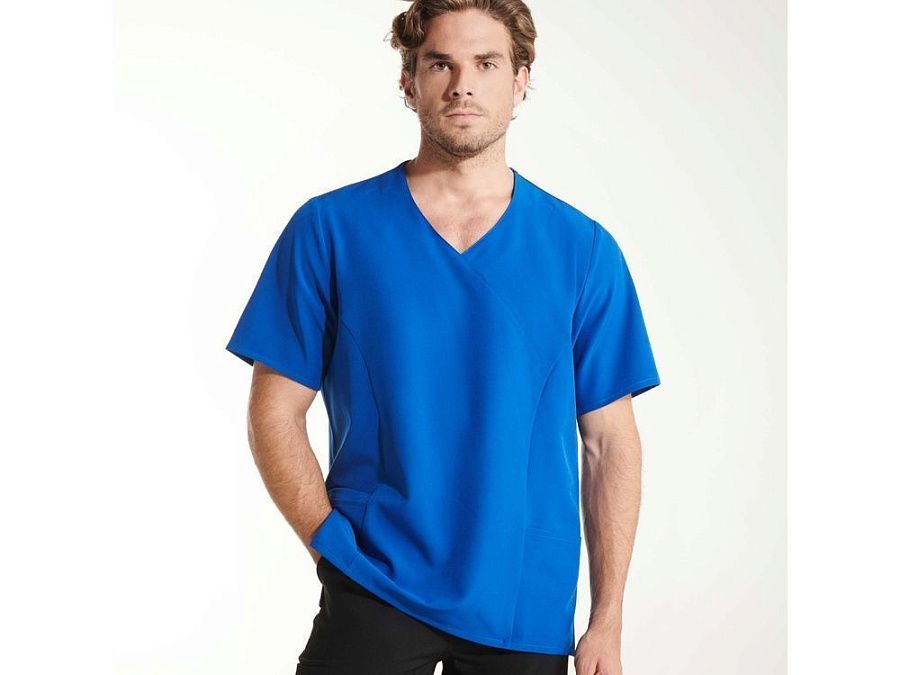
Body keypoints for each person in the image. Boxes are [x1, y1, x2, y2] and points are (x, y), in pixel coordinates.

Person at [225, 2, 661, 673]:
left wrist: (607, 619)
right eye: (440, 64)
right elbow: (273, 412)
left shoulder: (582, 250)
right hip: (374, 581)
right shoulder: (331, 230)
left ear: (520, 81)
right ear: (409, 80)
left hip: (523, 601)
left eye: (486, 64)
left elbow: (609, 444)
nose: (463, 85)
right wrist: (330, 548)